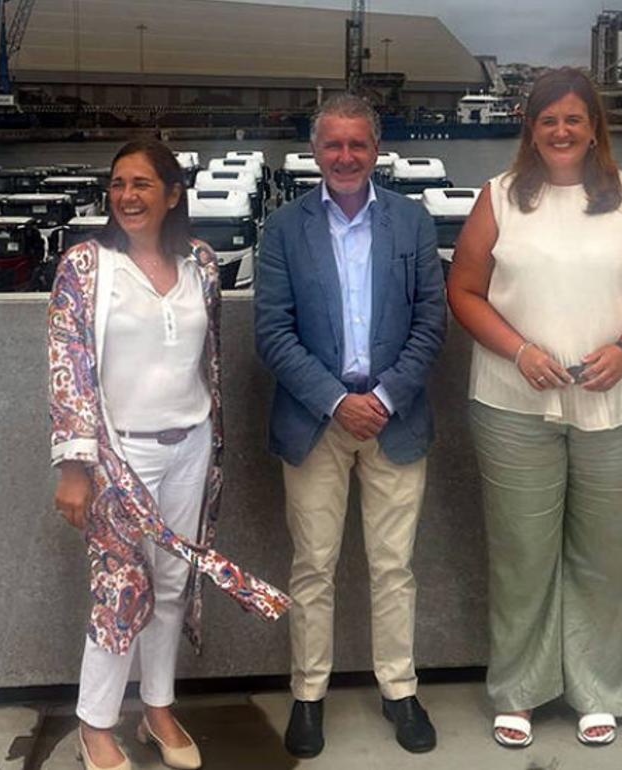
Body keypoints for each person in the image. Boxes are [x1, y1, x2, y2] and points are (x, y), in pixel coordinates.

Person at [447, 67, 622, 748]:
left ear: (593, 128)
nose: (561, 131)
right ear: (530, 127)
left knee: (606, 553)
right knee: (521, 552)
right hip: (513, 401)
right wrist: (518, 350)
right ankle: (519, 689)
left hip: (619, 402)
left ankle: (598, 688)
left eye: (574, 119)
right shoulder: (497, 198)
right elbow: (464, 290)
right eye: (548, 119)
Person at [50, 139, 290, 770]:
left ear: (173, 195)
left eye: (142, 185)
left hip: (189, 448)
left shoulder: (202, 264)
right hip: (116, 457)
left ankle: (157, 707)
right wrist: (76, 465)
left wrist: (213, 444)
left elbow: (207, 359)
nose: (126, 196)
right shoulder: (86, 265)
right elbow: (68, 368)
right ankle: (96, 722)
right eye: (118, 184)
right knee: (118, 589)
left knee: (173, 581)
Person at [253, 94, 447, 758]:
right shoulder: (281, 229)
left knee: (394, 566)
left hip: (395, 417)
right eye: (332, 145)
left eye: (356, 144)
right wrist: (337, 402)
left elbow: (431, 323)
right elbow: (272, 333)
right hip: (315, 421)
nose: (344, 156)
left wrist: (385, 397)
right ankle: (308, 696)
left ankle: (400, 689)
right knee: (313, 566)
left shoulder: (412, 224)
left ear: (375, 149)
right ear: (316, 152)